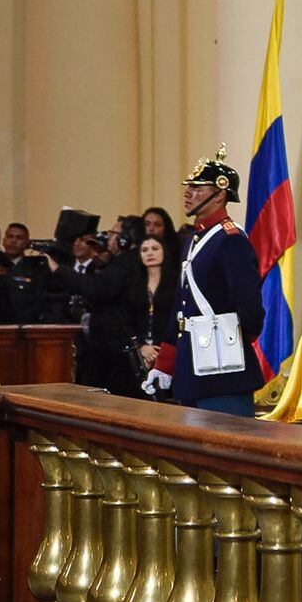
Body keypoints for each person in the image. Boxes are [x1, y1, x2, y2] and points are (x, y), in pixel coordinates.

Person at [142, 145, 267, 416]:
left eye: (198, 188)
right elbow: (181, 307)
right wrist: (165, 363)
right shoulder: (194, 238)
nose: (188, 193)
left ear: (220, 194)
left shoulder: (230, 240)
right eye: (189, 187)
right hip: (192, 369)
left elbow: (250, 307)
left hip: (223, 371)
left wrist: (230, 336)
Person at [48, 218, 146, 395]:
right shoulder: (123, 263)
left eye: (113, 233)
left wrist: (58, 270)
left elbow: (95, 288)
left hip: (116, 351)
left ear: (125, 240)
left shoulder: (124, 264)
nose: (108, 238)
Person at [128, 235, 180, 394]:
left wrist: (159, 350)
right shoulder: (132, 283)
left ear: (164, 251)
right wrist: (143, 348)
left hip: (168, 349)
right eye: (144, 250)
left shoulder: (176, 281)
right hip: (139, 352)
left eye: (155, 249)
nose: (150, 253)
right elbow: (126, 319)